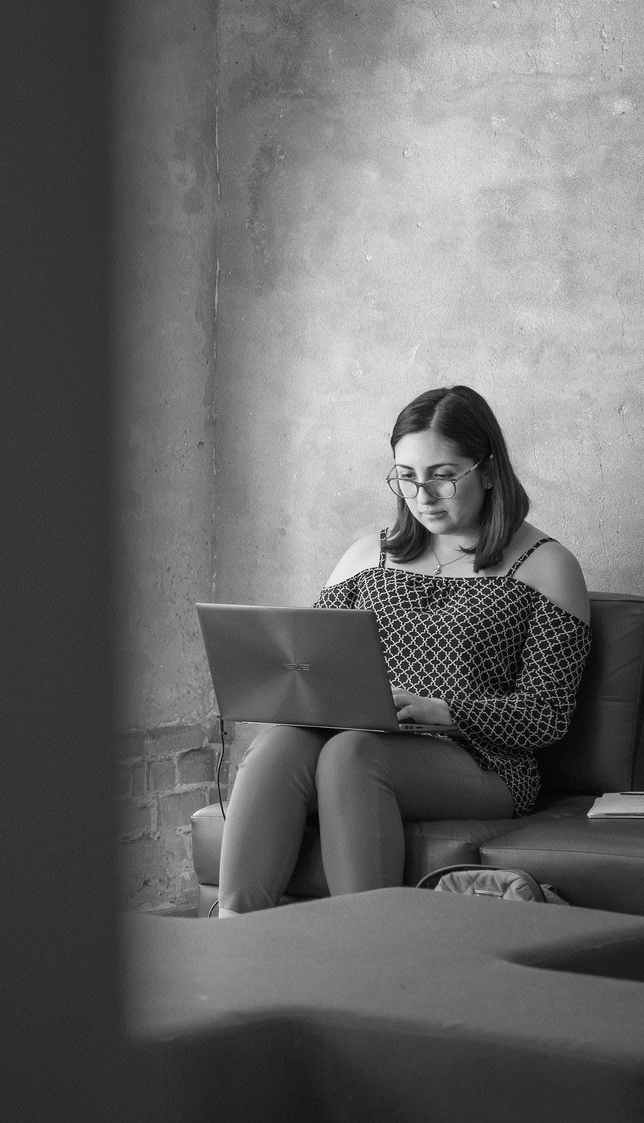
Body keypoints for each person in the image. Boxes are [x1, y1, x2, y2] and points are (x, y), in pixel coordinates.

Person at [215, 385, 592, 915]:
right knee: (281, 747)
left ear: (487, 469)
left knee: (351, 755)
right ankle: (235, 931)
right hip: (362, 733)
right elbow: (305, 664)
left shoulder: (544, 564)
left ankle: (373, 945)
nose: (424, 496)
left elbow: (547, 715)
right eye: (407, 477)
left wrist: (447, 711)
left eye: (443, 475)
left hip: (482, 760)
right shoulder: (368, 555)